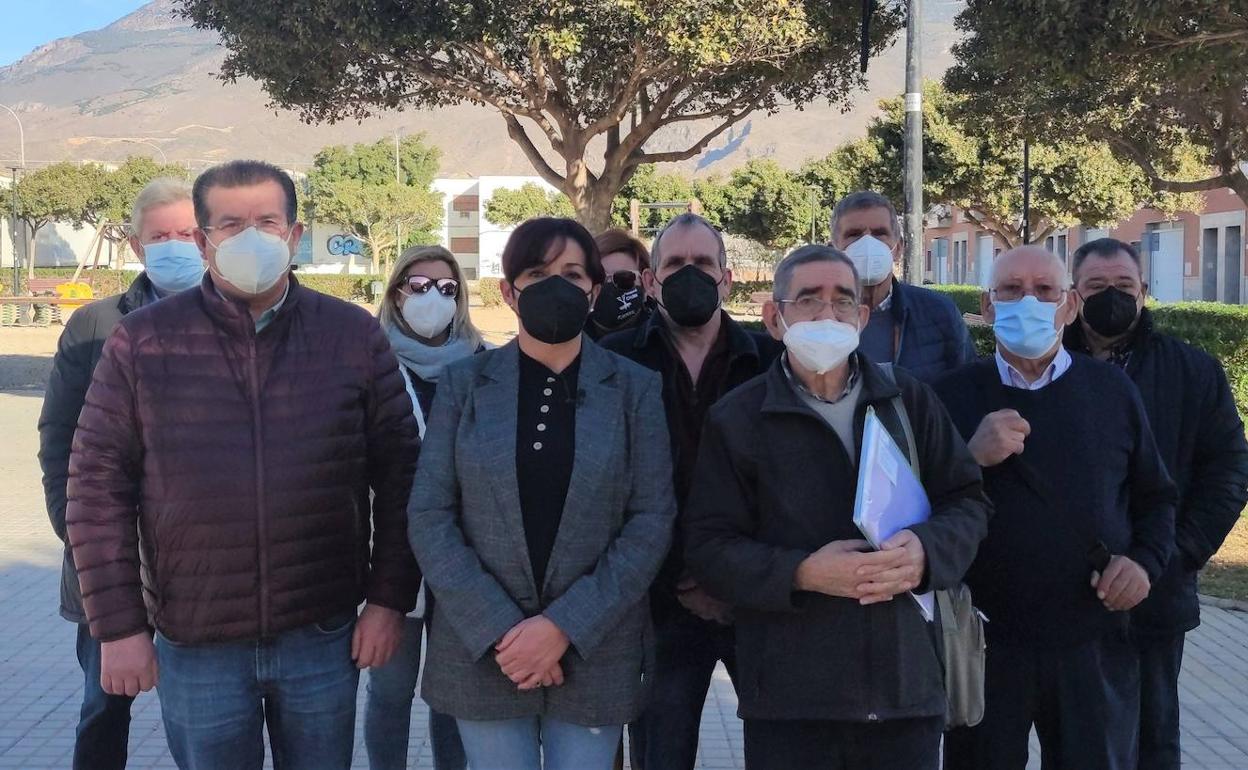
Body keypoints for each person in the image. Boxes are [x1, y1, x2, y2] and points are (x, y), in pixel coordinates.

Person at [65, 160, 421, 770]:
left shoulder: (352, 335)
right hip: (196, 641)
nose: (250, 237)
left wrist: (389, 601)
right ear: (203, 241)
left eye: (267, 222)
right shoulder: (143, 341)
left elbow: (402, 477)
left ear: (294, 234)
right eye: (230, 224)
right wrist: (118, 629)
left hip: (321, 634)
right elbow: (96, 489)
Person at [682, 244, 991, 770]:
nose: (828, 314)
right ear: (774, 318)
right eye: (808, 300)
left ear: (862, 317)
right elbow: (710, 548)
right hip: (791, 703)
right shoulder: (738, 418)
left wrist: (925, 552)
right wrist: (802, 573)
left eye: (843, 300)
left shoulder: (908, 400)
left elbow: (967, 502)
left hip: (904, 692)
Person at [407, 217, 676, 770]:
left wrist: (561, 627)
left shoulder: (635, 389)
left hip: (594, 646)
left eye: (573, 274)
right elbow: (431, 514)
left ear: (594, 291)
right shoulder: (464, 386)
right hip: (486, 648)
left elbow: (650, 520)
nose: (556, 286)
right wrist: (505, 630)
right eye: (536, 273)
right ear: (509, 292)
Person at [935, 245, 1178, 770]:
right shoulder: (948, 395)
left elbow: (1156, 497)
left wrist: (1144, 564)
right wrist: (970, 458)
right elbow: (915, 510)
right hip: (984, 641)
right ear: (987, 306)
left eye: (1044, 291)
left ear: (1069, 306)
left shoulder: (1111, 390)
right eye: (1011, 290)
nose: (1028, 302)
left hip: (1091, 638)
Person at [600, 212, 783, 770]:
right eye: (674, 263)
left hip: (755, 604)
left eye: (703, 263)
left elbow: (787, 484)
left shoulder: (772, 364)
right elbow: (608, 487)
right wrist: (678, 578)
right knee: (661, 755)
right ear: (650, 281)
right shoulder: (615, 362)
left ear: (727, 278)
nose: (689, 274)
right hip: (660, 604)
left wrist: (732, 578)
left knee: (781, 752)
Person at [37, 177, 202, 770]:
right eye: (161, 236)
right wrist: (76, 532)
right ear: (136, 246)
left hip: (202, 559)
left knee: (204, 714)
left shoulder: (236, 317)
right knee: (103, 705)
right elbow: (58, 437)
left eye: (188, 233)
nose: (176, 246)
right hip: (110, 558)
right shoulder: (94, 325)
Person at [1065, 238, 1248, 770]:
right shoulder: (1045, 368)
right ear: (1074, 296)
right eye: (1097, 286)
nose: (1112, 296)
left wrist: (1172, 555)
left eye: (1123, 285)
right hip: (1063, 595)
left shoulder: (1193, 371)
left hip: (1156, 592)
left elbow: (1228, 472)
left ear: (1144, 291)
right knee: (1072, 739)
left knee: (1153, 739)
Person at [366, 245, 481, 770]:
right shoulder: (370, 365)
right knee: (390, 691)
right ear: (396, 293)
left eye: (447, 288)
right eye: (420, 286)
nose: (434, 297)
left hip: (464, 560)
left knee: (451, 697)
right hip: (393, 558)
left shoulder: (483, 364)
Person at [829, 191, 976, 380]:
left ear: (898, 248)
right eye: (854, 235)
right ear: (833, 250)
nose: (868, 243)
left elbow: (968, 385)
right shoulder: (812, 316)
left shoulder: (938, 312)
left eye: (879, 234)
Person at [585, 228, 654, 340]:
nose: (608, 287)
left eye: (623, 278)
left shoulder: (667, 339)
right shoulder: (567, 339)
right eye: (599, 278)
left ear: (645, 284)